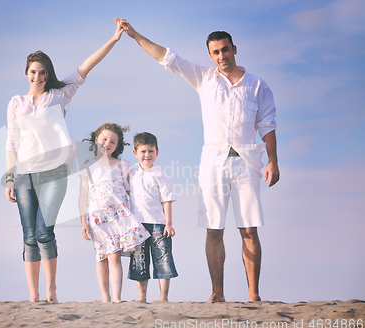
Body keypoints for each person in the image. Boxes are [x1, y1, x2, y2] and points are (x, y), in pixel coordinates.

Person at [117, 18, 280, 303]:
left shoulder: (257, 86)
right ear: (210, 55)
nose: (222, 56)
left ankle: (254, 293)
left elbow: (267, 126)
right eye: (216, 52)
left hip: (247, 163)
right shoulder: (203, 77)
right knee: (214, 228)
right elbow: (166, 57)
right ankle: (218, 292)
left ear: (234, 49)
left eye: (225, 50)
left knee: (249, 229)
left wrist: (273, 161)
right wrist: (133, 35)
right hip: (213, 163)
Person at [4, 22, 124, 303]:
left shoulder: (58, 95)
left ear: (48, 74)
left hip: (53, 173)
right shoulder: (16, 103)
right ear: (26, 73)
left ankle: (51, 290)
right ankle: (33, 294)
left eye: (42, 72)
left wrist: (114, 39)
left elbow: (85, 67)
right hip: (23, 175)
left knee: (45, 232)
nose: (38, 76)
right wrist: (9, 178)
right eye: (33, 72)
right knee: (29, 235)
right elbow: (11, 143)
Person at [79, 123, 150, 303]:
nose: (107, 144)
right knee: (101, 257)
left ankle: (117, 298)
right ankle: (105, 297)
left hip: (119, 216)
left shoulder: (123, 165)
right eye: (104, 139)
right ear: (96, 140)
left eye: (112, 141)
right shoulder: (88, 166)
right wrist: (83, 222)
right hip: (97, 218)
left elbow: (132, 192)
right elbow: (82, 195)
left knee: (115, 255)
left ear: (117, 145)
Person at [128, 132, 178, 302]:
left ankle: (163, 297)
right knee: (140, 262)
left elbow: (167, 201)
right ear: (135, 153)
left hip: (158, 224)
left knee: (162, 259)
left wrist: (168, 224)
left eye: (151, 151)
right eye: (143, 151)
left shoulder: (161, 175)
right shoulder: (131, 174)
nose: (147, 155)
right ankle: (142, 298)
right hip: (137, 225)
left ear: (157, 152)